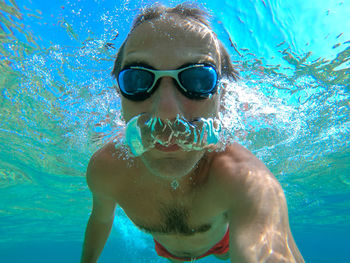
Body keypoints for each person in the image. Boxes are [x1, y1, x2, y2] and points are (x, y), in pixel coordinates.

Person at [81, 3, 304, 263]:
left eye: (198, 79)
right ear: (120, 97)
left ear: (222, 99)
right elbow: (100, 219)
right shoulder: (106, 170)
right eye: (137, 80)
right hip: (166, 249)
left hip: (223, 245)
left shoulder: (244, 180)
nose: (167, 112)